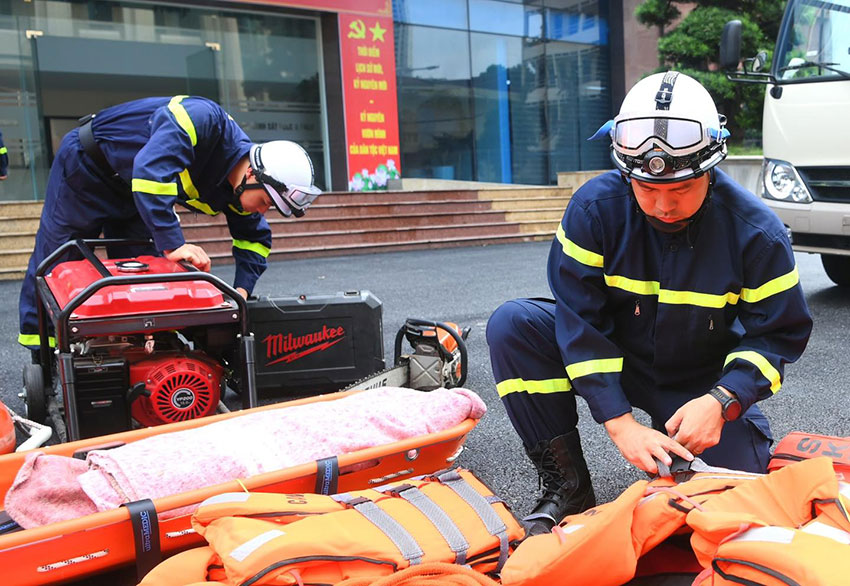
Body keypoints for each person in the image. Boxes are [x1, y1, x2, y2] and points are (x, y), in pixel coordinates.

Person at [486, 71, 813, 535]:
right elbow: (580, 322)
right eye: (646, 188)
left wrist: (722, 401)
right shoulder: (592, 211)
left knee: (725, 512)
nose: (663, 206)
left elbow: (779, 333)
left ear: (711, 169)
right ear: (625, 172)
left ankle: (686, 452)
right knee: (514, 324)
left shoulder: (757, 233)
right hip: (618, 357)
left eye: (680, 189)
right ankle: (568, 486)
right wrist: (620, 424)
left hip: (700, 380)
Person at [18, 95, 321, 351]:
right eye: (267, 203)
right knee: (58, 262)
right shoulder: (202, 119)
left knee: (141, 277)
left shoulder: (242, 193)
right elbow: (149, 172)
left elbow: (254, 240)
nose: (264, 212)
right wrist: (174, 244)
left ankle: (127, 354)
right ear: (254, 175)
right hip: (87, 167)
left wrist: (240, 293)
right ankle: (43, 356)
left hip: (134, 191)